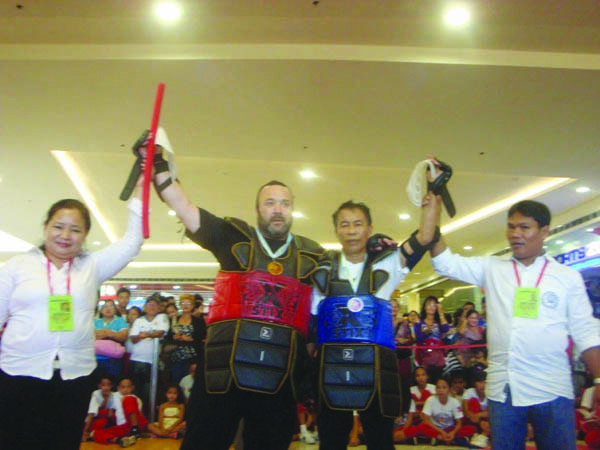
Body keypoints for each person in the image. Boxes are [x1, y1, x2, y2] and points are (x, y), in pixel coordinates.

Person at [141, 136, 325, 450]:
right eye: (270, 203)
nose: (277, 210)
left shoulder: (313, 255)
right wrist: (157, 163)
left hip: (279, 376)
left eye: (284, 203)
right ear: (257, 209)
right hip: (221, 372)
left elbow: (348, 281)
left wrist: (378, 250)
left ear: (293, 209)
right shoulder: (234, 238)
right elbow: (184, 207)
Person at [429, 198, 600, 450]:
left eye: (524, 227)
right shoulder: (492, 267)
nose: (515, 234)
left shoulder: (567, 277)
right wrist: (432, 210)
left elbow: (586, 331)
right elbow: (444, 262)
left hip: (552, 387)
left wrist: (599, 380)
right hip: (503, 389)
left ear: (544, 231)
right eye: (511, 227)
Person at [0, 183, 144, 450]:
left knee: (63, 442)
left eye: (75, 229)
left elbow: (132, 243)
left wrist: (139, 189)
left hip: (74, 376)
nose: (65, 235)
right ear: (45, 227)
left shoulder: (91, 267)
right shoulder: (17, 267)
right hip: (19, 373)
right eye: (58, 226)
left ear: (85, 234)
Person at [311, 194, 440, 450]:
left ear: (369, 228)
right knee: (331, 442)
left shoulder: (388, 264)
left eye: (357, 224)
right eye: (344, 224)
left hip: (377, 369)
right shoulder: (321, 271)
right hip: (331, 369)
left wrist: (433, 197)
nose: (351, 231)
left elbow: (424, 237)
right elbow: (312, 327)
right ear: (336, 230)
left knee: (380, 441)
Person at [129, 296, 169, 413]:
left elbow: (160, 332)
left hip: (152, 362)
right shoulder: (138, 320)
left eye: (154, 304)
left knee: (149, 393)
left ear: (159, 307)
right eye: (149, 304)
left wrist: (145, 335)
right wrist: (149, 334)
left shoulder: (162, 317)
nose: (152, 307)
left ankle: (148, 416)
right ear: (145, 307)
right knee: (135, 391)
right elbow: (133, 339)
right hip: (136, 360)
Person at [90, 375, 148, 447]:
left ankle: (135, 431)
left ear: (133, 388)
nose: (126, 389)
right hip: (122, 427)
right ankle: (119, 440)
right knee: (96, 433)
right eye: (123, 387)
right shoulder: (114, 396)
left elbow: (140, 416)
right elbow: (108, 412)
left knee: (129, 399)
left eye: (128, 387)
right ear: (118, 388)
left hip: (132, 425)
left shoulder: (137, 399)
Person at [417, 377, 475, 445]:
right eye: (438, 387)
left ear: (449, 389)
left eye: (444, 388)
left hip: (449, 429)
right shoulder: (430, 400)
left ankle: (441, 438)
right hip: (435, 428)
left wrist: (453, 433)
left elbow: (459, 422)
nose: (441, 390)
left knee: (471, 429)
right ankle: (443, 438)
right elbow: (426, 420)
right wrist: (441, 431)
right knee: (421, 427)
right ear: (435, 389)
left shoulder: (454, 402)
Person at [414, 295, 449, 382]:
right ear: (424, 307)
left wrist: (441, 312)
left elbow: (446, 329)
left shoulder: (438, 322)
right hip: (424, 357)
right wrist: (427, 333)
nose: (431, 307)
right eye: (429, 304)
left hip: (438, 358)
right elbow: (418, 339)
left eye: (434, 305)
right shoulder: (419, 321)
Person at [94, 299, 128, 376]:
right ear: (101, 310)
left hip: (114, 359)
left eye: (111, 306)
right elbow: (91, 336)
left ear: (115, 310)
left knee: (113, 382)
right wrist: (113, 334)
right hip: (96, 359)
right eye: (105, 306)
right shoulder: (96, 322)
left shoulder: (120, 321)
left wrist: (107, 333)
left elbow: (124, 336)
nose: (108, 309)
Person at [169, 293, 197, 383]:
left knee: (188, 382)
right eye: (183, 303)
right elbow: (169, 335)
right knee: (175, 382)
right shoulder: (174, 319)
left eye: (188, 303)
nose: (185, 306)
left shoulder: (198, 321)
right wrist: (174, 336)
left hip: (191, 357)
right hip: (176, 356)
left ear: (192, 306)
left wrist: (190, 339)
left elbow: (201, 337)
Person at [82, 374, 116, 442]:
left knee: (108, 418)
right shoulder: (95, 394)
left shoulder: (114, 395)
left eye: (108, 385)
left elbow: (111, 414)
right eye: (103, 385)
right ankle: (89, 434)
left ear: (111, 386)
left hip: (107, 423)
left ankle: (94, 435)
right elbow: (92, 413)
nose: (106, 387)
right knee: (103, 415)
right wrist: (85, 431)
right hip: (92, 421)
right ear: (99, 386)